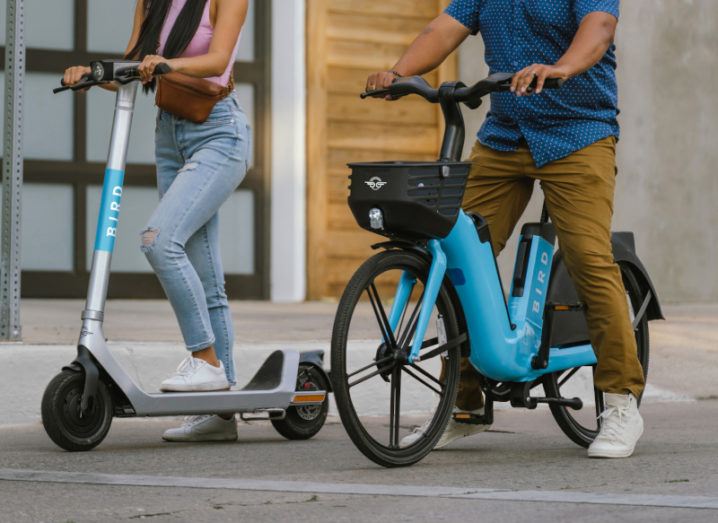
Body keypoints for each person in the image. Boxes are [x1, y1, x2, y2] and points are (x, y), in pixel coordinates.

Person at [367, 0, 645, 458]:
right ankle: (464, 405)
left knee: (588, 260)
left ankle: (620, 402)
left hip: (578, 134)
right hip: (504, 135)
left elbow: (599, 29)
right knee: (456, 257)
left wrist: (560, 68)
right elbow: (442, 30)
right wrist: (397, 74)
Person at [63, 0, 250, 443]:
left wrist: (166, 63)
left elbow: (218, 60)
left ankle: (205, 362)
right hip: (170, 135)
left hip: (220, 133)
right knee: (208, 281)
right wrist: (93, 74)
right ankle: (219, 417)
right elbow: (134, 65)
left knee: (159, 241)